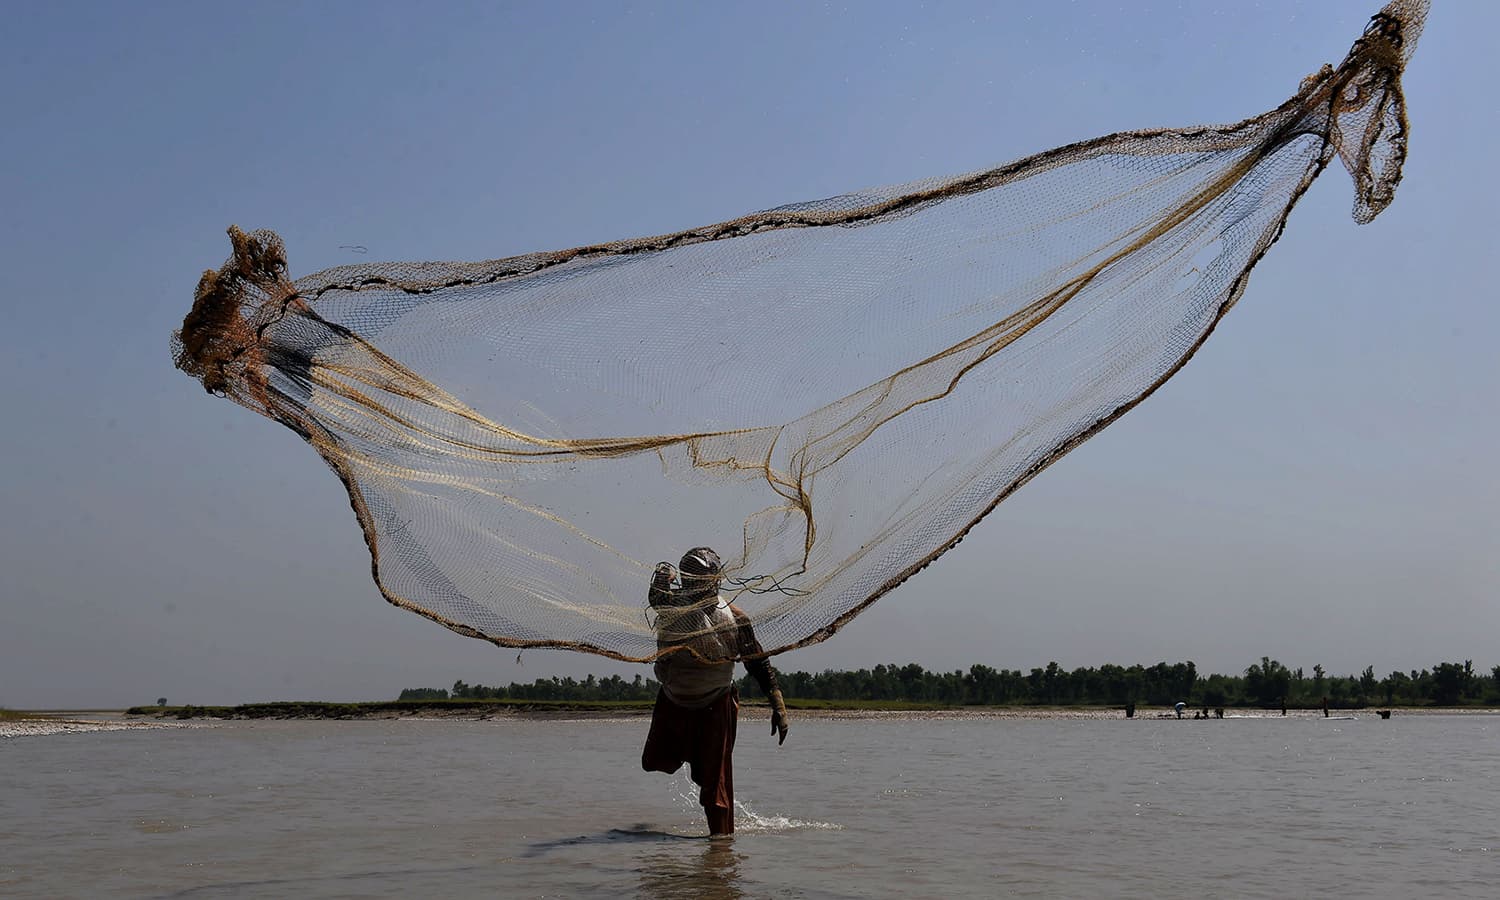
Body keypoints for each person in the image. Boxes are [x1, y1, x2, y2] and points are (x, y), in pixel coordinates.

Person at [641, 547, 789, 835]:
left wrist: (778, 706)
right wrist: (662, 574)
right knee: (652, 762)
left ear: (716, 579)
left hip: (716, 705)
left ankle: (720, 850)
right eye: (692, 578)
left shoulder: (733, 617)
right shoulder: (672, 610)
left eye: (704, 578)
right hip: (674, 700)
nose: (699, 585)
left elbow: (757, 662)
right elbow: (656, 597)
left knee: (716, 786)